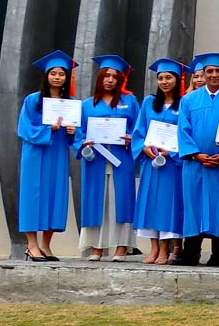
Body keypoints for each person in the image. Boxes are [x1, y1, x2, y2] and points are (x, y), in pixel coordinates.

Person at [176, 52, 219, 267]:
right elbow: (182, 131)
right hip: (195, 163)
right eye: (209, 71)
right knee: (193, 205)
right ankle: (190, 253)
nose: (214, 75)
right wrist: (196, 155)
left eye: (218, 71)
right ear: (202, 74)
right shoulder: (189, 99)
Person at [75, 55, 140, 260]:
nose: (110, 80)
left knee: (120, 201)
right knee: (98, 202)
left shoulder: (129, 102)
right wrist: (83, 143)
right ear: (100, 78)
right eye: (107, 75)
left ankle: (122, 246)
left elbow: (140, 129)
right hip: (96, 159)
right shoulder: (86, 105)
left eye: (114, 76)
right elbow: (78, 133)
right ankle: (97, 247)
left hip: (122, 158)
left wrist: (132, 139)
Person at [17, 50, 77, 261]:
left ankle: (45, 245)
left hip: (57, 154)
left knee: (54, 196)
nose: (57, 77)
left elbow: (73, 136)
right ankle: (31, 245)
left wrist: (72, 132)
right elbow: (24, 129)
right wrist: (49, 129)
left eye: (61, 74)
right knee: (33, 198)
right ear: (46, 76)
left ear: (66, 78)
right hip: (35, 155)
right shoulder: (33, 100)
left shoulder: (69, 103)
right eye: (54, 73)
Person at [133, 58, 186, 265]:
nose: (164, 82)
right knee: (150, 203)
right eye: (161, 78)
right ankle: (153, 248)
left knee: (167, 204)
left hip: (171, 164)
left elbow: (184, 134)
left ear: (177, 79)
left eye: (169, 77)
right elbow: (139, 131)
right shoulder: (148, 103)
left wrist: (171, 152)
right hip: (151, 162)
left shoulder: (184, 104)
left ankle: (165, 248)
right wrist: (143, 148)